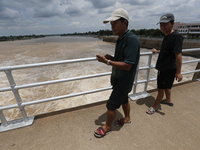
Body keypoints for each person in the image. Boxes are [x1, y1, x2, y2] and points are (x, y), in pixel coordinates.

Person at [94, 8, 140, 138]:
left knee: (111, 105)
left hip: (124, 80)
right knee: (124, 99)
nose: (112, 26)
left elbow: (127, 65)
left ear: (124, 23)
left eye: (114, 23)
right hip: (120, 79)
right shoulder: (121, 38)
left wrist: (107, 62)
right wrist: (112, 58)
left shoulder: (131, 39)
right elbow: (123, 60)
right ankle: (127, 119)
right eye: (111, 23)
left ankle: (107, 127)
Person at [146, 13, 183, 115]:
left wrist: (179, 72)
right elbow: (167, 50)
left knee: (160, 89)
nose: (162, 27)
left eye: (165, 24)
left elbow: (178, 55)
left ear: (172, 23)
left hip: (167, 68)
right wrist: (157, 51)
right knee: (167, 86)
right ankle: (168, 100)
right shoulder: (167, 36)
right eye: (161, 24)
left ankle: (154, 107)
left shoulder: (176, 37)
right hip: (166, 67)